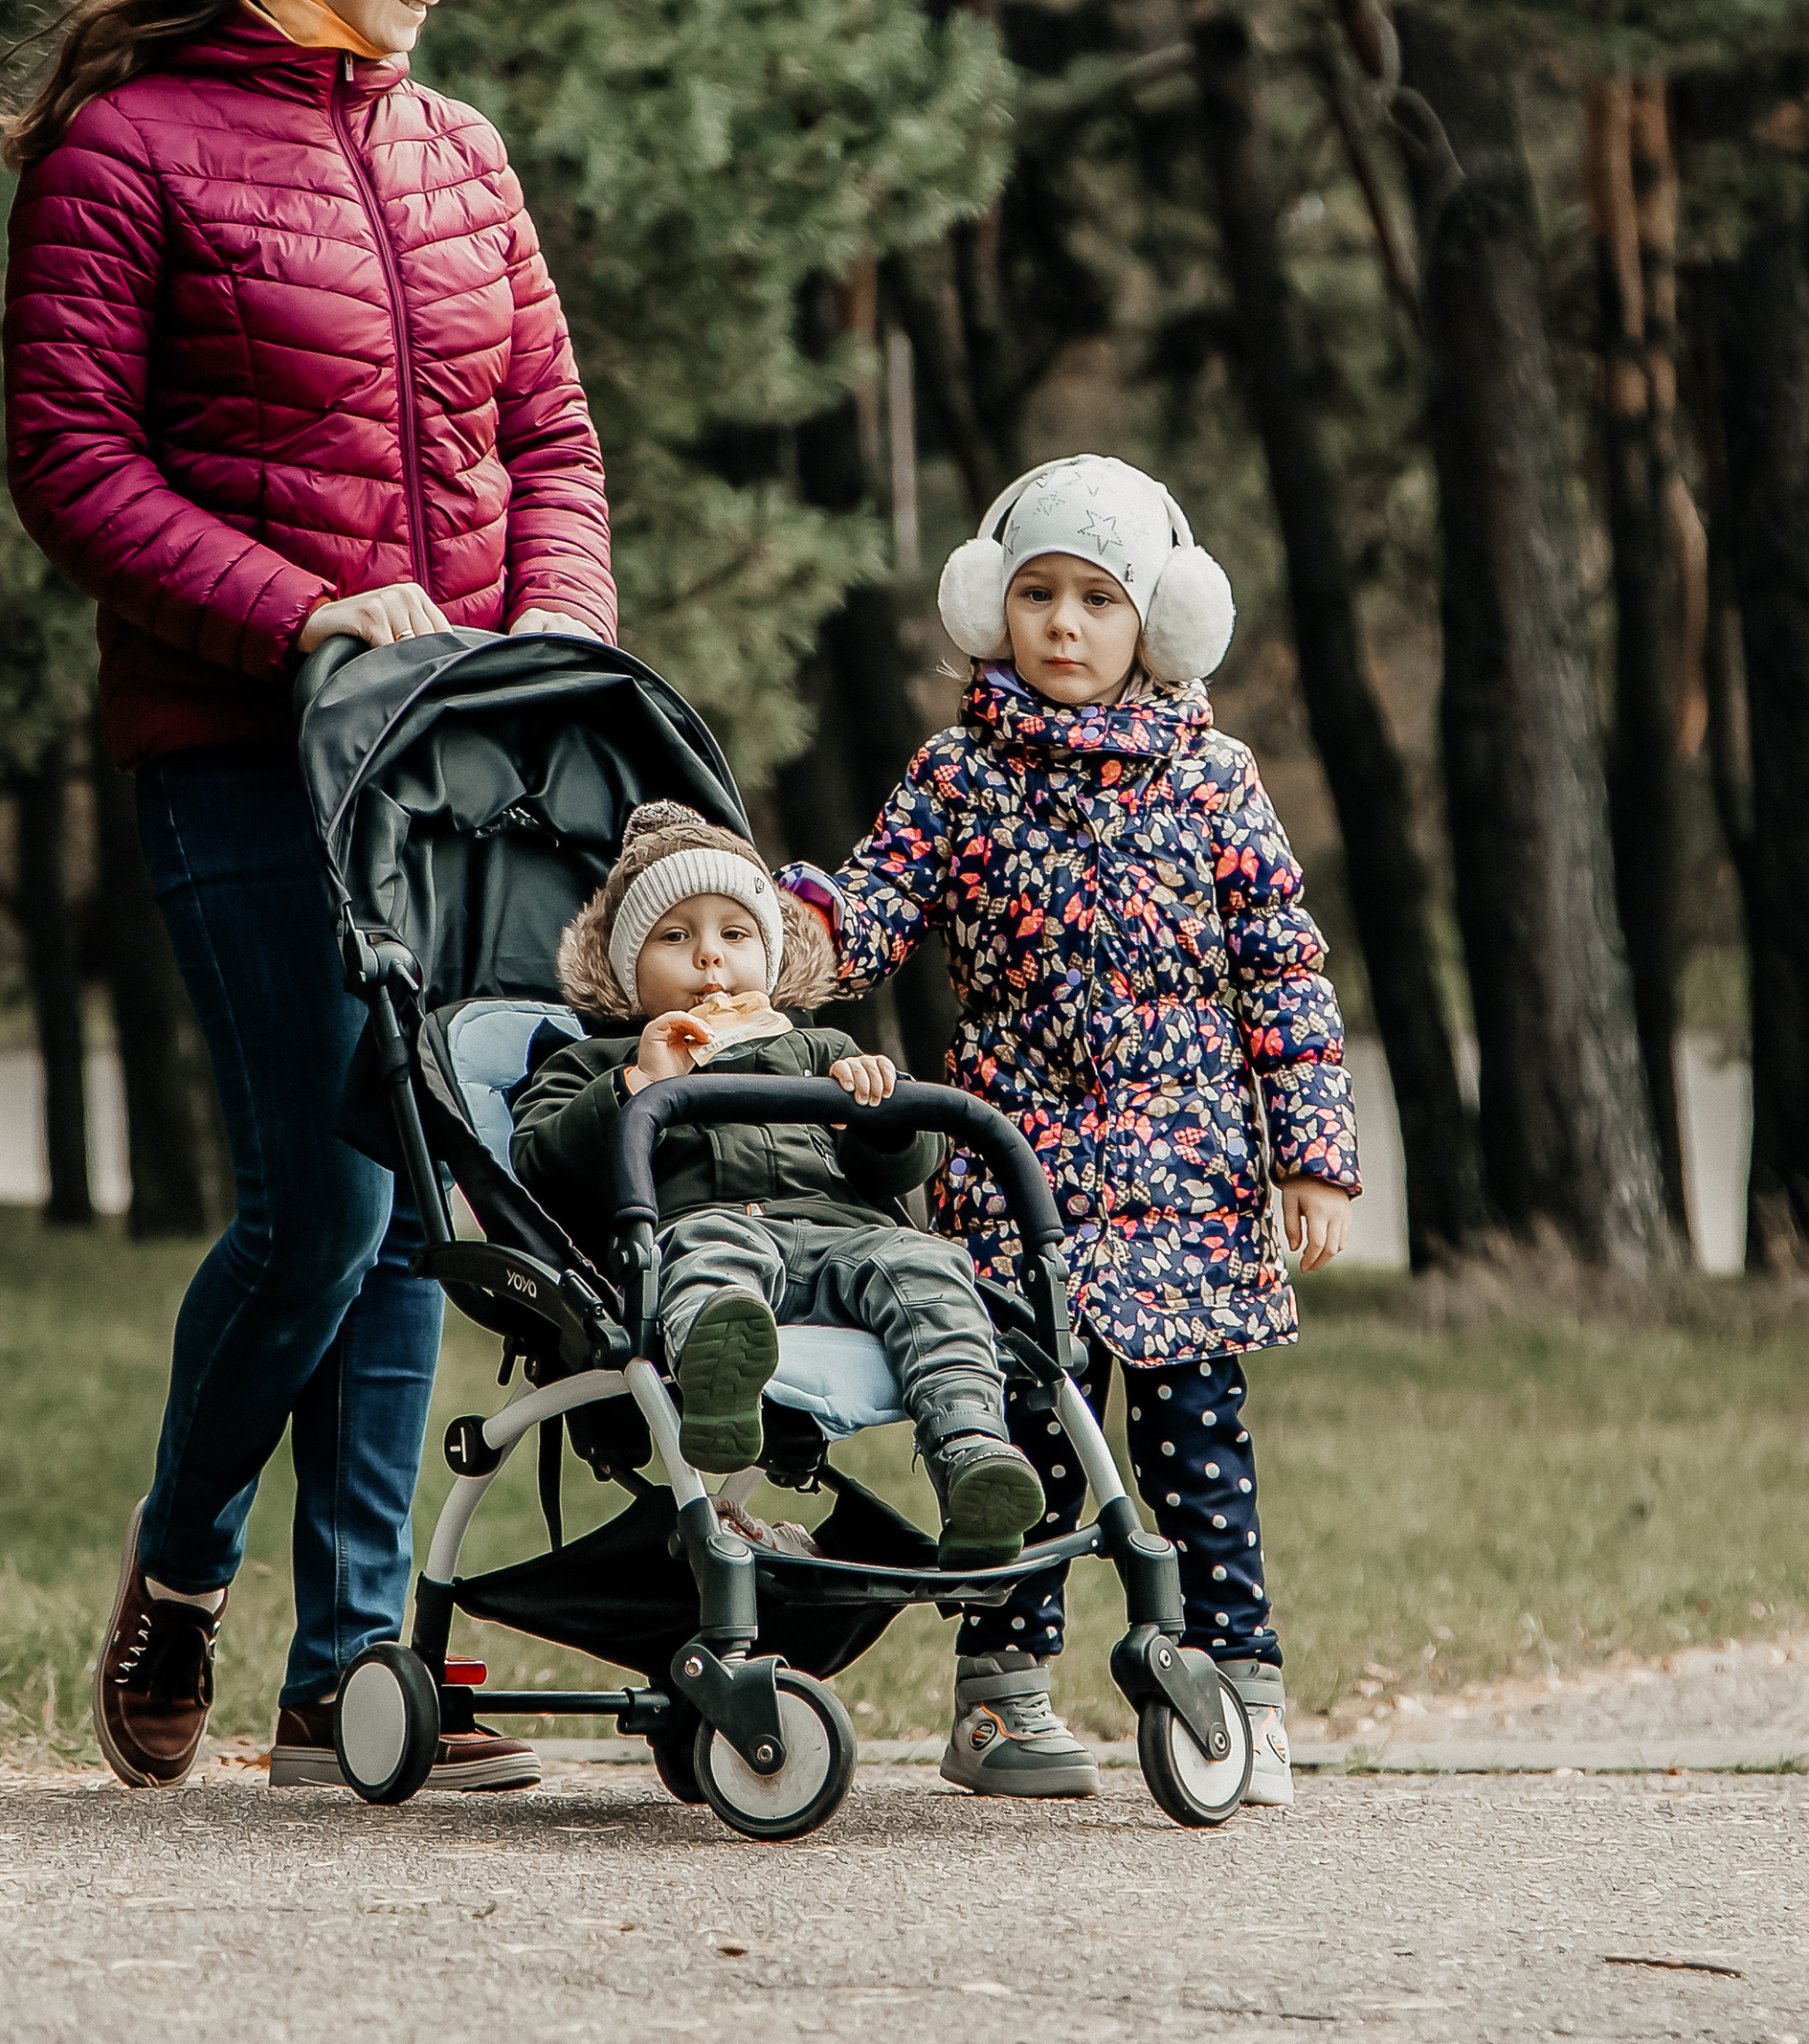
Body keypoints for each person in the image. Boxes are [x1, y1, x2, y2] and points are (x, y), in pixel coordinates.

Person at [2, 0, 616, 1795]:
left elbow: (549, 440)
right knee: (324, 1205)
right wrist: (297, 611)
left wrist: (559, 636)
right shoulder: (127, 148)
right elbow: (75, 465)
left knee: (420, 1187)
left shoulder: (460, 157)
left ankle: (352, 1676)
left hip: (453, 773)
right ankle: (182, 1572)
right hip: (243, 751)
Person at [780, 456, 1359, 1807]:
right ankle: (1000, 1697)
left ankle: (1241, 1691)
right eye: (1036, 593)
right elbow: (873, 910)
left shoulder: (1214, 780)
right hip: (1016, 1166)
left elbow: (1283, 972)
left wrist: (1311, 1155)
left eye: (1097, 601)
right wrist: (792, 931)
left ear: (1154, 624)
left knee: (1194, 1450)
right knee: (1021, 1443)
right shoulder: (957, 777)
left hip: (1190, 1179)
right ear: (992, 604)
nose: (1062, 626)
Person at [511, 804, 1047, 1566]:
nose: (710, 962)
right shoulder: (594, 1061)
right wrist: (637, 1082)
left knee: (928, 1264)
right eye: (675, 938)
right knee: (706, 1249)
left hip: (844, 1242)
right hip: (711, 1228)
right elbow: (537, 1166)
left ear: (769, 953)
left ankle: (971, 1451)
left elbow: (906, 1168)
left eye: (735, 935)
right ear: (627, 971)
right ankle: (715, 1382)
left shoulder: (819, 1049)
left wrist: (875, 1114)